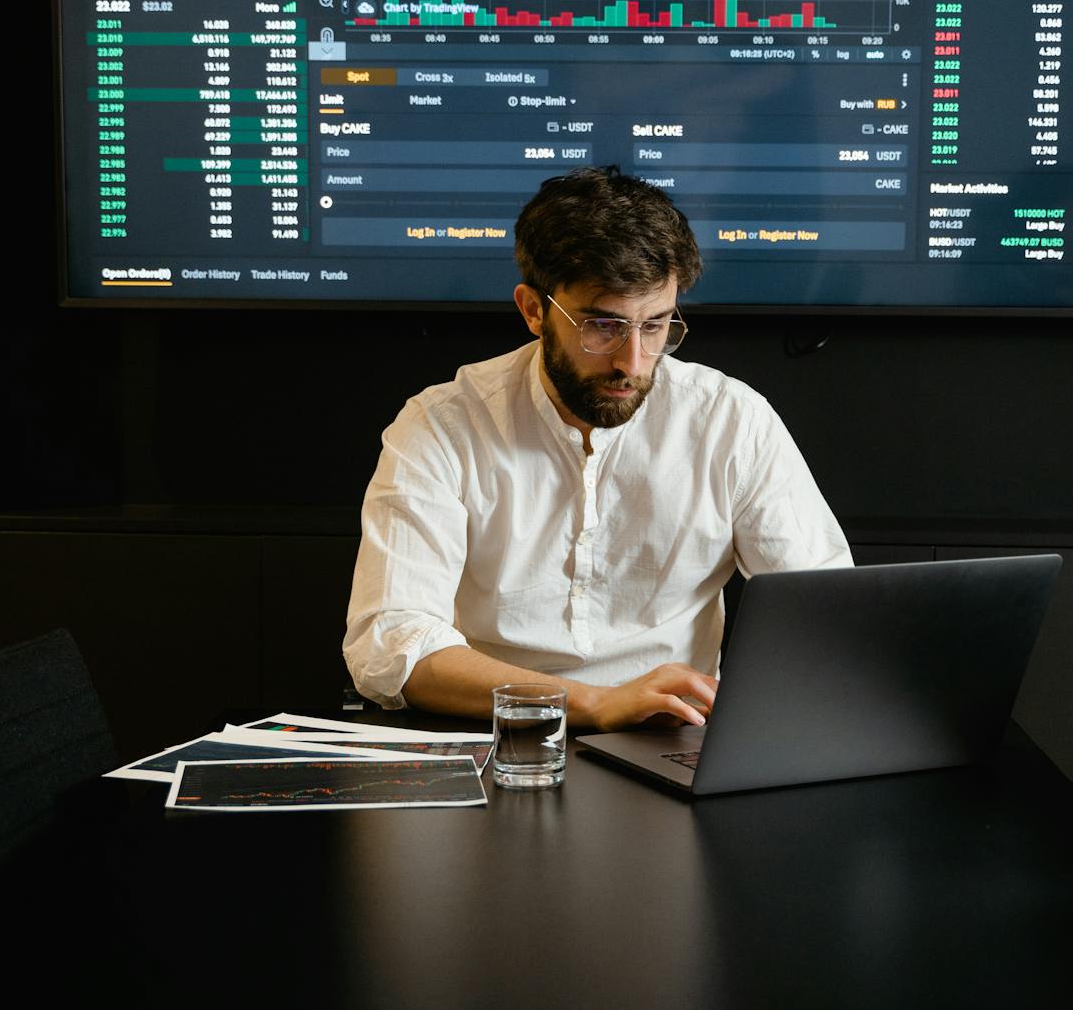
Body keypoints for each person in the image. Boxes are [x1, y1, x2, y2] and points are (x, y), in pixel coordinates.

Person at [343, 166, 850, 727]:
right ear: (533, 310)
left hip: (676, 741)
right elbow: (389, 644)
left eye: (656, 326)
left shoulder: (731, 419)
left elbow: (824, 614)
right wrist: (592, 703)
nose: (632, 362)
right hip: (495, 739)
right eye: (602, 327)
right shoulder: (441, 425)